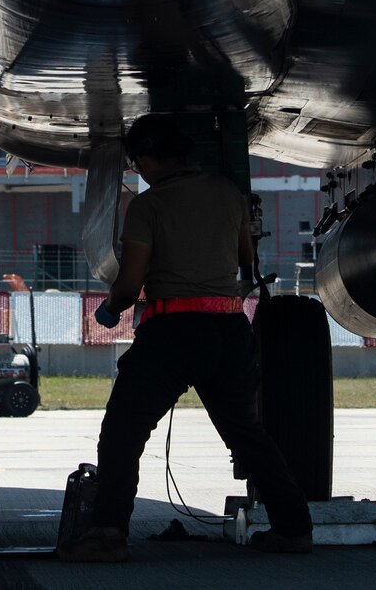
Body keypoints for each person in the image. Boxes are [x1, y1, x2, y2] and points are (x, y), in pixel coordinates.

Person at [60, 112, 313, 562]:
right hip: (228, 328)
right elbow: (244, 257)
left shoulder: (148, 206)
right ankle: (294, 528)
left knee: (123, 431)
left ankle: (109, 533)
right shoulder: (228, 194)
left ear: (144, 160)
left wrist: (112, 308)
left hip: (172, 331)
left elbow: (130, 280)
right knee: (247, 434)